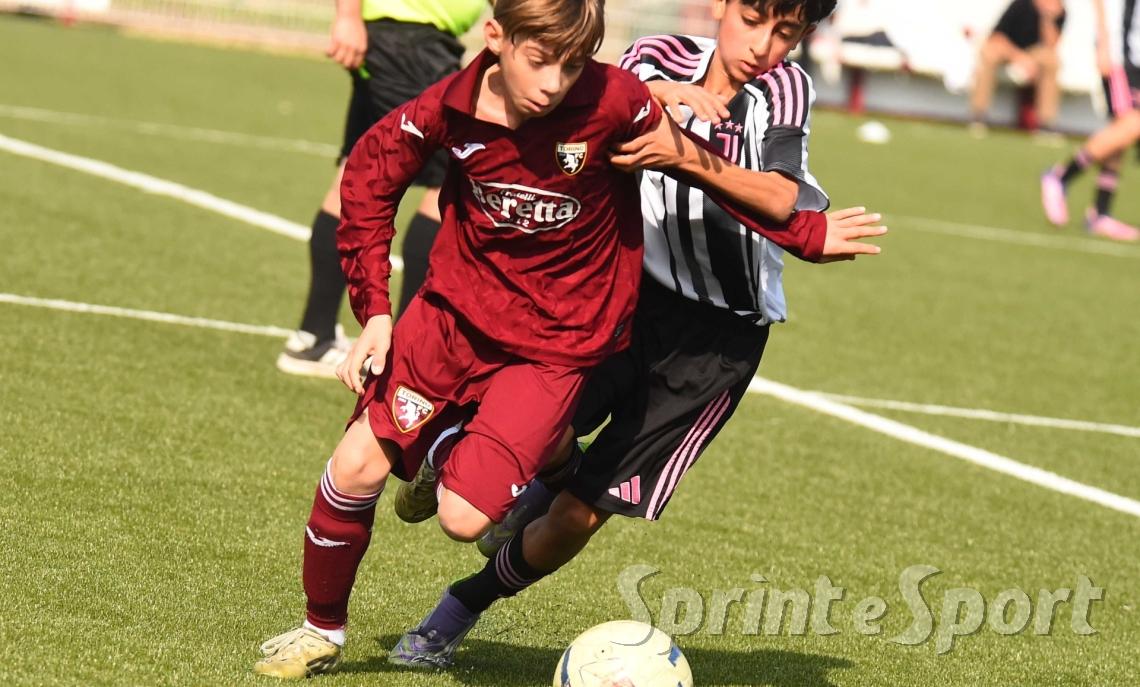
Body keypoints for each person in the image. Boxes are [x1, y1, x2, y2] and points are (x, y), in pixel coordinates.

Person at [252, 0, 882, 678]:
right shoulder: (638, 66)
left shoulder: (782, 89)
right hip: (619, 302)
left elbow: (782, 199)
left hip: (708, 343)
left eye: (786, 33)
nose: (764, 45)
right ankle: (434, 483)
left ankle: (458, 604)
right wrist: (376, 307)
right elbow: (573, 87)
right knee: (476, 456)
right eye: (755, 21)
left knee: (572, 510)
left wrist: (798, 228)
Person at [275, 0, 486, 378]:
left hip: (398, 42)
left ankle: (315, 336)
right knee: (452, 182)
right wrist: (347, 16)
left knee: (355, 175)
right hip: (411, 45)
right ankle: (400, 356)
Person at [1040, 0, 1140, 241]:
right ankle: (1060, 176)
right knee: (1132, 125)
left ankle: (1101, 212)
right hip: (1121, 54)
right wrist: (1104, 43)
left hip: (1134, 58)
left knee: (1121, 133)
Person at [969, 0, 1066, 134]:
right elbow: (997, 36)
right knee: (988, 53)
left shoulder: (1059, 11)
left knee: (1051, 61)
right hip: (1009, 49)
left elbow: (1051, 46)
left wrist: (1047, 18)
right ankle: (978, 115)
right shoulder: (1021, 4)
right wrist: (1019, 58)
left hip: (1033, 54)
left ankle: (1046, 123)